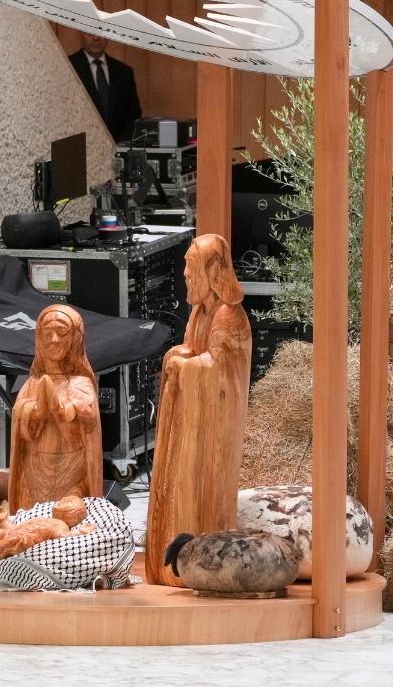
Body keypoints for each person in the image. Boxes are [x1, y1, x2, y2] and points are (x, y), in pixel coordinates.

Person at [144, 234, 252, 586]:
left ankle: (198, 566)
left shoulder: (227, 316)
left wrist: (184, 364)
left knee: (200, 497)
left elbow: (220, 369)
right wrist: (178, 357)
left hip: (213, 430)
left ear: (213, 271)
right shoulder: (199, 313)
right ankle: (168, 564)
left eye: (191, 269)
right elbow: (191, 352)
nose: (186, 277)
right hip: (191, 421)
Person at [8, 305, 102, 512]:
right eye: (47, 334)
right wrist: (35, 412)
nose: (54, 340)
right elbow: (18, 418)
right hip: (35, 468)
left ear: (75, 338)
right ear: (39, 338)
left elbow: (89, 417)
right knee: (34, 516)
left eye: (61, 333)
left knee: (68, 514)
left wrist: (65, 411)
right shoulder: (32, 383)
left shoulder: (80, 382)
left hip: (71, 469)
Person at [68, 32, 142, 142]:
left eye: (101, 32)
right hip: (79, 148)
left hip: (117, 149)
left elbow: (133, 115)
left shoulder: (124, 72)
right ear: (81, 34)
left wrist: (120, 146)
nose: (96, 37)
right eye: (89, 32)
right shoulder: (68, 68)